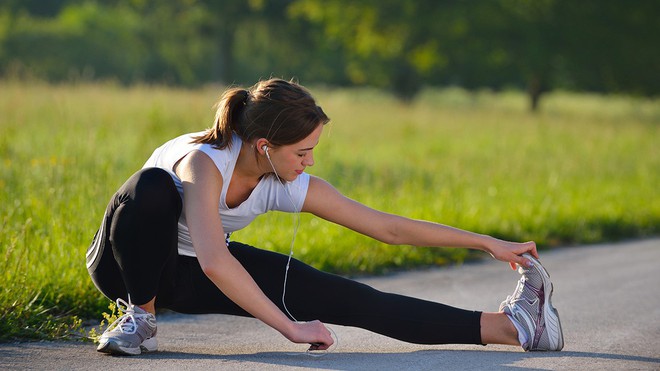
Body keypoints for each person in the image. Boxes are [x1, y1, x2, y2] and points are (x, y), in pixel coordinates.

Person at [86, 78, 564, 356]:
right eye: (304, 151)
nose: (309, 162)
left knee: (348, 296)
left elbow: (387, 228)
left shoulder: (282, 177)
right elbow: (214, 258)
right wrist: (290, 328)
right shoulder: (204, 162)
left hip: (188, 273)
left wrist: (486, 242)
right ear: (265, 147)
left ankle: (514, 327)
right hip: (124, 266)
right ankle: (140, 320)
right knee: (149, 189)